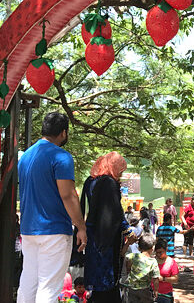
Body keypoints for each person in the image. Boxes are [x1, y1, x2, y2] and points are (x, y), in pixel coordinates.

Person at [17, 112, 87, 303]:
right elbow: (68, 195)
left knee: (28, 282)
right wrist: (81, 227)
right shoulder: (61, 156)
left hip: (29, 230)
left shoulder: (25, 156)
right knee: (48, 287)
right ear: (63, 133)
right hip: (54, 230)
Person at [81, 151, 132, 302]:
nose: (121, 174)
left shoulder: (90, 181)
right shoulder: (109, 183)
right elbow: (115, 211)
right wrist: (128, 230)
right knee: (107, 281)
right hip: (106, 238)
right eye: (120, 170)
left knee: (96, 279)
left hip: (92, 234)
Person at [125, 233, 160, 302]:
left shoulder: (133, 256)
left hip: (132, 289)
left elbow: (126, 259)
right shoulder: (153, 262)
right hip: (145, 290)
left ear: (139, 248)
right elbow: (155, 278)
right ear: (152, 248)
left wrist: (128, 269)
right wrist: (156, 290)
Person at [154, 238, 179, 303]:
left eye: (161, 252)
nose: (158, 254)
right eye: (157, 252)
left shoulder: (171, 262)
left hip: (166, 294)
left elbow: (175, 279)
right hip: (152, 292)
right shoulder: (152, 261)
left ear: (166, 250)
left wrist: (163, 279)